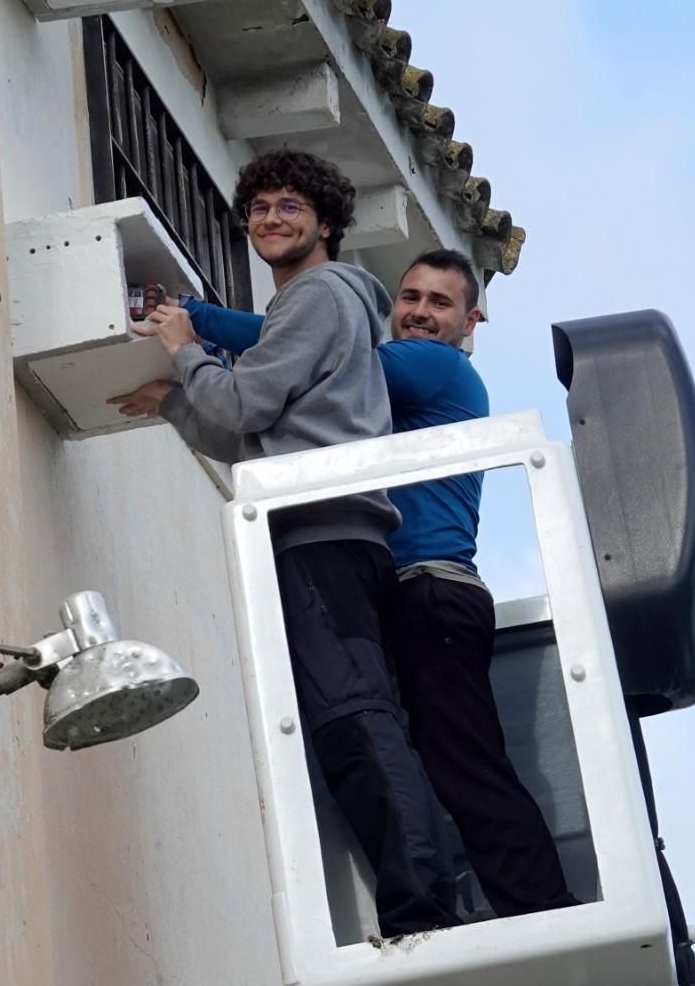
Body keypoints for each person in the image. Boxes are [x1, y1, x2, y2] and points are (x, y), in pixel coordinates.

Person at [108, 149, 460, 939]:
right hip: (330, 525)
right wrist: (173, 400)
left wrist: (182, 344)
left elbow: (238, 408)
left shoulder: (315, 298)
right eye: (260, 207)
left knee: (353, 716)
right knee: (351, 717)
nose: (271, 218)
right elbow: (254, 439)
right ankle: (420, 895)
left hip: (320, 530)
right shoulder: (326, 311)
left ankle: (422, 906)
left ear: (326, 221)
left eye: (290, 206)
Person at [166, 248, 578, 918]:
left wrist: (194, 321)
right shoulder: (375, 397)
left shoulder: (437, 369)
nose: (418, 312)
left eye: (439, 303)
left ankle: (543, 907)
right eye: (409, 298)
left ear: (472, 320)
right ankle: (489, 906)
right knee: (413, 760)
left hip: (431, 591)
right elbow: (280, 414)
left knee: (464, 768)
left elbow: (318, 353)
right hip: (400, 591)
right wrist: (180, 395)